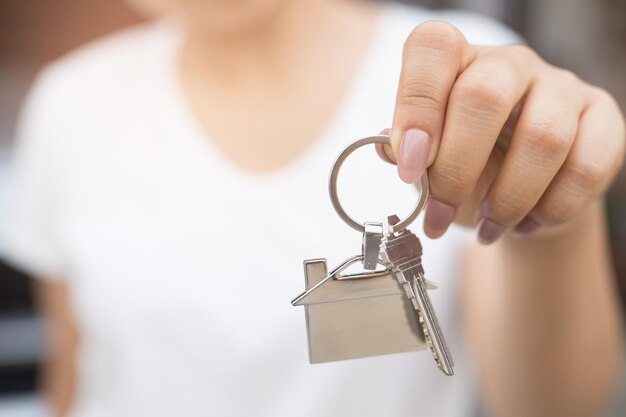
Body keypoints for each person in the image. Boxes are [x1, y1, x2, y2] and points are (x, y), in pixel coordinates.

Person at [2, 0, 624, 416]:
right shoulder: (70, 103)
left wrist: (546, 227)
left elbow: (552, 405)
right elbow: (77, 372)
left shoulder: (475, 80)